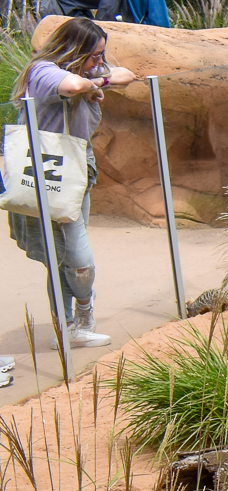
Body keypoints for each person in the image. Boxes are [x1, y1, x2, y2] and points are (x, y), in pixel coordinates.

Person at [8, 17, 135, 347]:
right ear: (74, 50)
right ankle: (68, 325)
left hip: (74, 172)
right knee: (60, 255)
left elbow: (126, 75)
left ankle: (79, 321)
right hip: (41, 171)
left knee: (74, 256)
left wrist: (98, 78)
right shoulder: (43, 70)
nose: (100, 62)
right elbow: (72, 87)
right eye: (95, 55)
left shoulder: (91, 70)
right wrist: (94, 84)